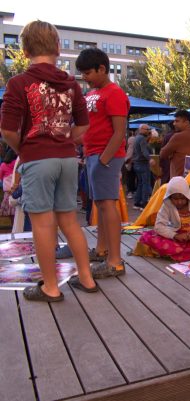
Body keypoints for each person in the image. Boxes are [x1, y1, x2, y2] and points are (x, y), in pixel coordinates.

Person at [1, 20, 97, 301]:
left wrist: (26, 148)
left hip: (37, 159)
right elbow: (83, 126)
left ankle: (51, 287)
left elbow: (7, 130)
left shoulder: (18, 83)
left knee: (43, 224)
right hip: (67, 158)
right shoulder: (71, 84)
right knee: (69, 221)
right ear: (57, 47)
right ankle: (87, 278)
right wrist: (65, 141)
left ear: (25, 49)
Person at [76, 47, 129, 279]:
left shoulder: (115, 93)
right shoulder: (92, 94)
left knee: (107, 205)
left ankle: (115, 261)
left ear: (102, 69)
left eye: (88, 73)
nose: (84, 77)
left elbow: (120, 132)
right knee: (100, 204)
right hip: (93, 156)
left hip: (105, 156)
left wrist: (104, 160)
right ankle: (101, 250)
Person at [134, 177, 190, 261]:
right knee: (147, 236)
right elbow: (158, 226)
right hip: (176, 236)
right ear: (170, 197)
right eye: (175, 199)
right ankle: (181, 253)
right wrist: (175, 236)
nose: (179, 202)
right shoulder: (167, 206)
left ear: (187, 196)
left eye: (182, 198)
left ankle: (176, 253)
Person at [159, 110, 190, 178]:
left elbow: (162, 154)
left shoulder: (178, 136)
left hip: (178, 180)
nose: (174, 124)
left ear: (186, 122)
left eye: (177, 121)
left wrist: (171, 154)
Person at [132, 124, 152, 210]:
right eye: (147, 129)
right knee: (145, 184)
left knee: (140, 183)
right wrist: (150, 159)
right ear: (142, 129)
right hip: (143, 164)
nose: (148, 131)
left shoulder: (136, 138)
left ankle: (137, 203)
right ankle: (144, 203)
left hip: (136, 164)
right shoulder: (142, 139)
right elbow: (144, 151)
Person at [0, 148, 18, 218]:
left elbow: (0, 177)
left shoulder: (3, 165)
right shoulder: (17, 164)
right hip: (17, 191)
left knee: (9, 212)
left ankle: (12, 227)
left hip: (7, 192)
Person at [124, 130, 136, 198]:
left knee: (130, 177)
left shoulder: (129, 147)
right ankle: (131, 190)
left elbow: (128, 156)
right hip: (132, 163)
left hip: (130, 164)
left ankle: (130, 191)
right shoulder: (132, 147)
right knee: (131, 177)